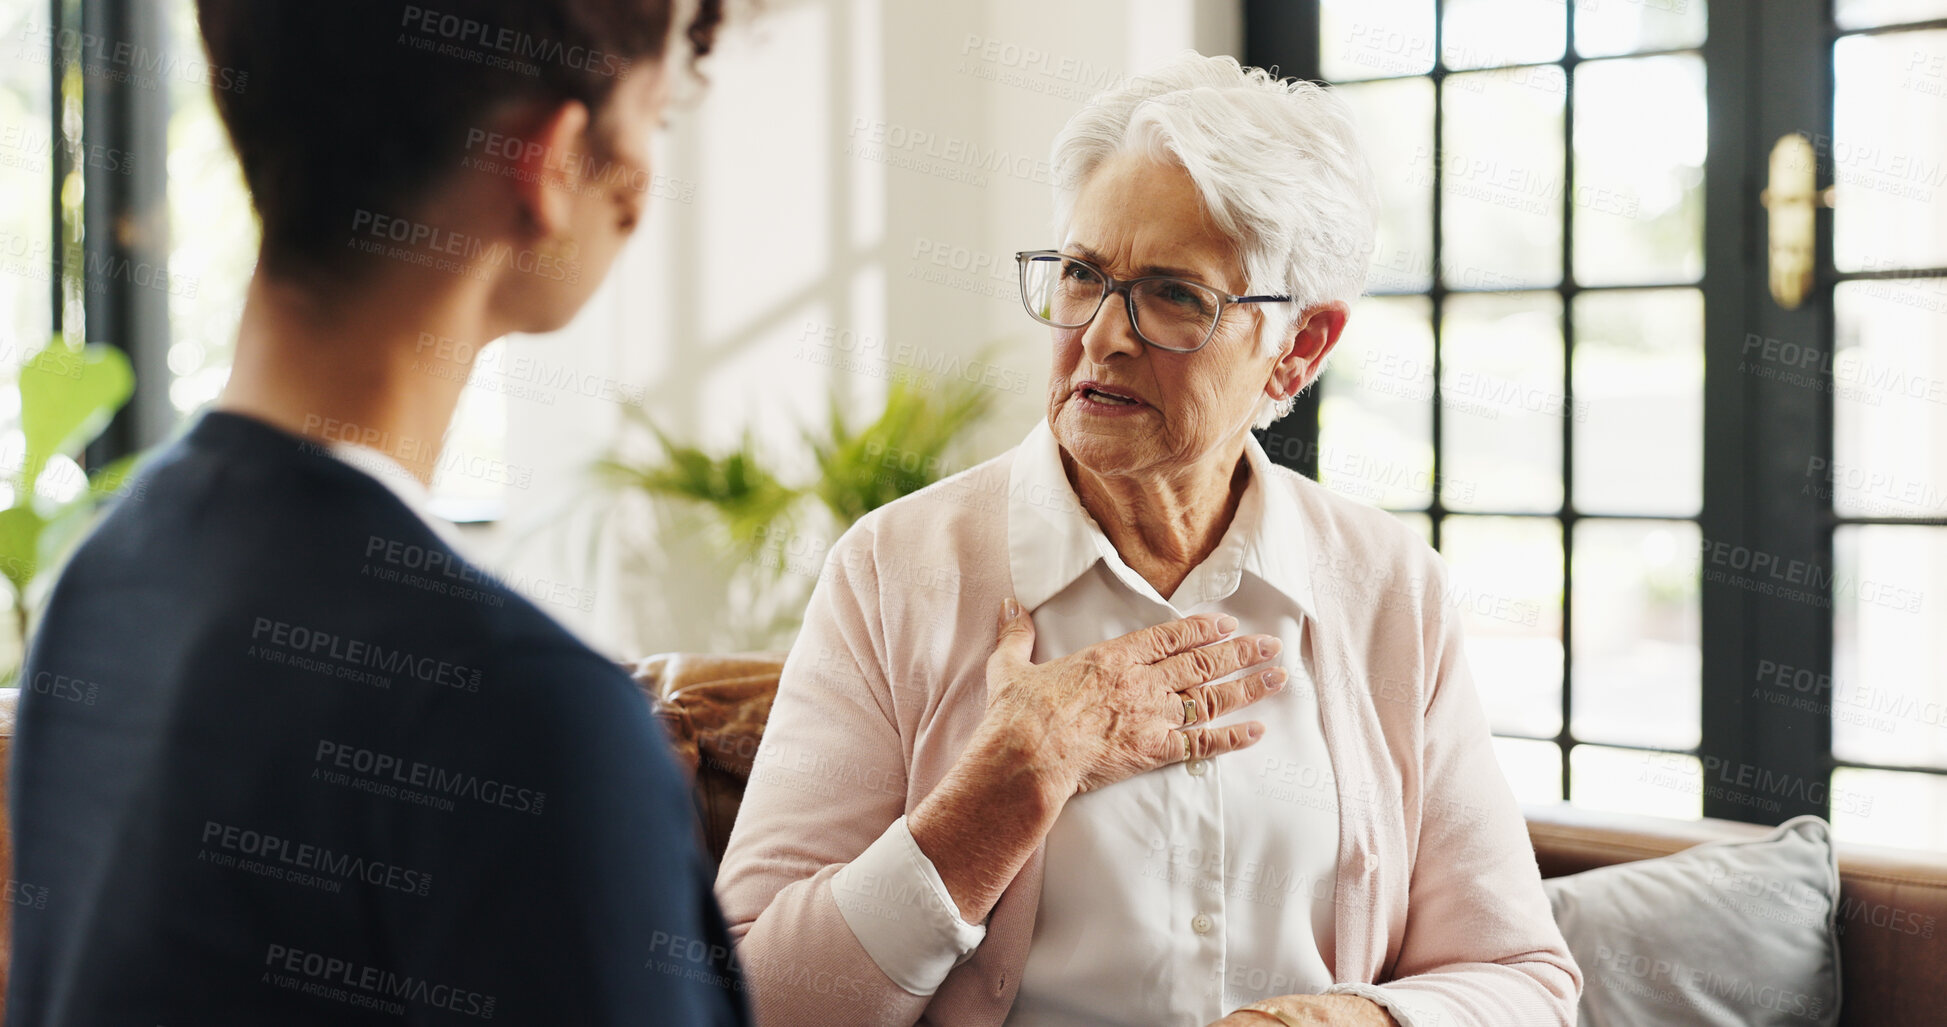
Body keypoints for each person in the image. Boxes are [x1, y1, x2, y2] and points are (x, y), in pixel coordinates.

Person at [716, 53, 1580, 1027]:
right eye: (1083, 275)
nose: (1102, 334)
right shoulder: (895, 571)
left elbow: (1522, 979)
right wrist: (1004, 789)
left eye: (1173, 295)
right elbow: (756, 1000)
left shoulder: (1388, 588)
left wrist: (1348, 1021)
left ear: (1300, 348)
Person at [8, 2, 749, 1023]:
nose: (648, 185)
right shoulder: (531, 723)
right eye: (656, 119)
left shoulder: (107, 579)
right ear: (551, 164)